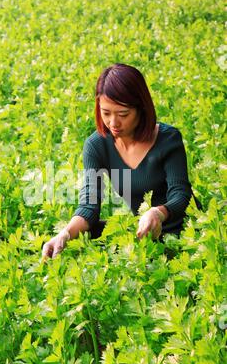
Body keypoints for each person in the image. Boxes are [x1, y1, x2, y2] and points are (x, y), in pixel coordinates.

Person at [42, 63, 196, 259]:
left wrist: (158, 213)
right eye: (106, 113)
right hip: (143, 233)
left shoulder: (168, 139)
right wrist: (64, 234)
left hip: (183, 229)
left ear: (141, 108)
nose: (113, 123)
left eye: (123, 114)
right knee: (84, 236)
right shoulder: (97, 145)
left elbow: (181, 194)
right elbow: (89, 205)